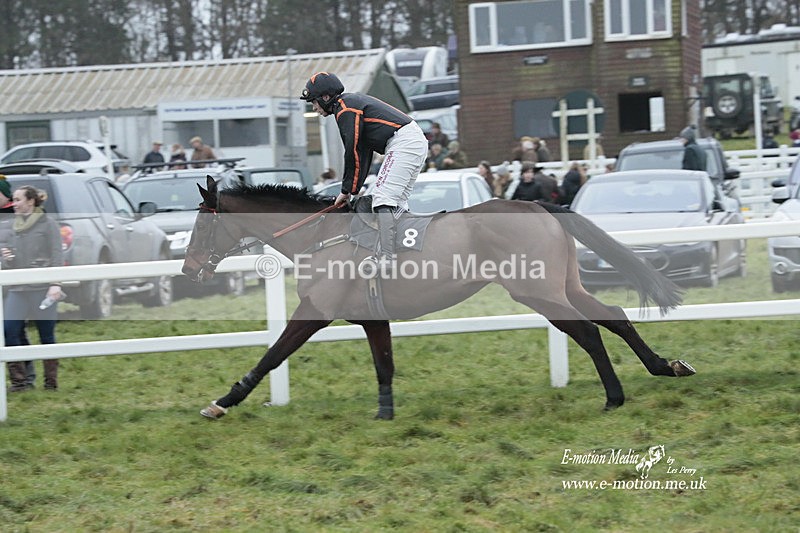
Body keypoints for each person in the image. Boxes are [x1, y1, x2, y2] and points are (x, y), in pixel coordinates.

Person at [301, 71, 427, 275]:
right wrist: (353, 189)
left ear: (325, 97)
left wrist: (346, 190)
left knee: (383, 198)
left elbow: (352, 151)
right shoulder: (346, 105)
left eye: (314, 102)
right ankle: (405, 251)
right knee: (397, 203)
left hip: (403, 143)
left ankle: (387, 258)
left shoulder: (345, 109)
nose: (314, 108)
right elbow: (363, 151)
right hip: (411, 140)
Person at [2, 185, 64, 391]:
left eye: (18, 200)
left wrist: (55, 284)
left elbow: (57, 255)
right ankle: (20, 382)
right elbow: (11, 259)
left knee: (46, 336)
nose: (14, 204)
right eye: (13, 200)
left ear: (30, 201)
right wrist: (7, 259)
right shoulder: (12, 225)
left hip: (42, 288)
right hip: (18, 288)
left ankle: (51, 383)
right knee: (9, 331)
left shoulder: (48, 224)